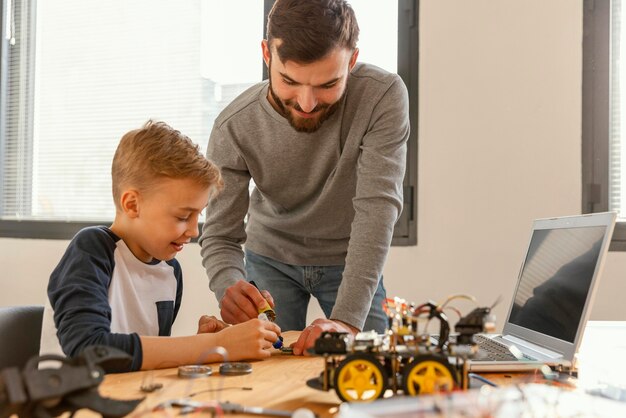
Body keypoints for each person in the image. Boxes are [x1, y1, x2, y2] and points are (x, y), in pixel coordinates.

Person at [199, 0, 409, 355]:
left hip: (351, 259)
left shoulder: (382, 96)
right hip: (269, 258)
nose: (307, 103)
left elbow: (378, 208)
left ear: (352, 61)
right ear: (267, 54)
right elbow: (219, 233)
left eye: (328, 84)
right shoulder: (234, 125)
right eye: (290, 81)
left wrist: (345, 322)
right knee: (262, 372)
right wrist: (230, 285)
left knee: (372, 366)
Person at [39, 120, 281, 372]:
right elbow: (89, 351)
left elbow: (144, 360)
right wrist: (214, 345)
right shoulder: (91, 251)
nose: (194, 230)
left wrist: (200, 343)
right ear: (132, 204)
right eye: (182, 216)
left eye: (198, 215)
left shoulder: (170, 272)